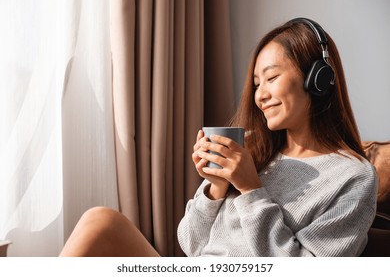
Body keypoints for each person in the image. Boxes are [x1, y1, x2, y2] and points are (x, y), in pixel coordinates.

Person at [60, 18, 377, 257]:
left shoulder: (353, 177)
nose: (260, 95)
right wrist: (215, 187)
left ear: (317, 79)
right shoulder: (255, 150)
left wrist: (250, 188)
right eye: (256, 83)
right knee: (99, 221)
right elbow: (191, 244)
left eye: (272, 78)